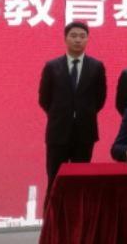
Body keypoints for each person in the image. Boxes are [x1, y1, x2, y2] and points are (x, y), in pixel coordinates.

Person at [38, 22, 106, 201]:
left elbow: (100, 99)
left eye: (82, 36)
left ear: (87, 39)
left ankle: (79, 217)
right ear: (65, 38)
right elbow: (44, 99)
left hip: (85, 133)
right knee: (54, 179)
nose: (78, 40)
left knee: (80, 181)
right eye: (73, 36)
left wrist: (82, 114)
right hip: (58, 132)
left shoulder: (96, 66)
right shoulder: (52, 66)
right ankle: (52, 217)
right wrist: (62, 115)